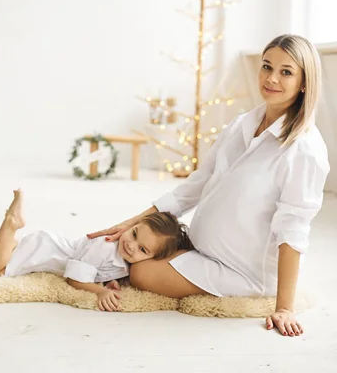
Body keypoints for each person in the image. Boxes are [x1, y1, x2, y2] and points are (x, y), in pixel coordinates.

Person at [88, 35, 330, 335]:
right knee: (120, 247)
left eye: (286, 72)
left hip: (243, 272)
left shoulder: (303, 149)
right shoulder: (240, 124)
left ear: (305, 82)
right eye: (267, 66)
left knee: (141, 270)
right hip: (200, 249)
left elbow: (294, 229)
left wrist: (283, 307)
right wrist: (132, 221)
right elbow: (195, 186)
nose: (271, 78)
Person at [0, 190, 194, 312]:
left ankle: (12, 241)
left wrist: (107, 282)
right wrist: (99, 292)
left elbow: (100, 271)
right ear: (132, 225)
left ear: (152, 257)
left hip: (48, 245)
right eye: (134, 233)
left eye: (142, 249)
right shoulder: (106, 247)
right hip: (43, 250)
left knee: (6, 257)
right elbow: (73, 279)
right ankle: (11, 223)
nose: (130, 244)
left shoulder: (126, 260)